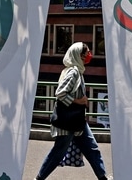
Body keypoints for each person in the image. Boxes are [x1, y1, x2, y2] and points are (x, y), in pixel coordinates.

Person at [35, 42, 109, 180]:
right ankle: (38, 178)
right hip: (68, 122)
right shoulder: (73, 72)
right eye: (85, 54)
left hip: (77, 121)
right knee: (58, 153)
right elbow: (60, 93)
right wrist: (79, 101)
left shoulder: (76, 71)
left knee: (92, 148)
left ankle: (103, 176)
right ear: (77, 55)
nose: (88, 56)